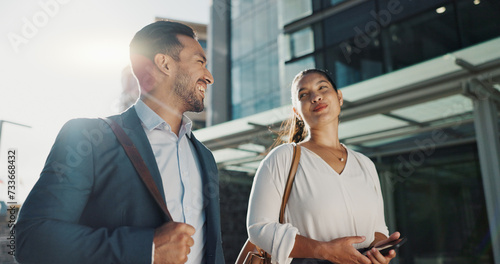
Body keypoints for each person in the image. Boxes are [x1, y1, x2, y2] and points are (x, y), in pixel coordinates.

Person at [15, 21, 225, 264]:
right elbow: (32, 239)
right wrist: (147, 249)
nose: (208, 77)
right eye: (200, 62)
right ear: (164, 64)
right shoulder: (88, 137)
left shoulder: (205, 157)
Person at [246, 69, 400, 264]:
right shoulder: (283, 158)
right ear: (296, 112)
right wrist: (324, 251)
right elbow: (259, 228)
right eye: (304, 94)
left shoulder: (365, 164)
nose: (315, 97)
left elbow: (378, 228)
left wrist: (379, 250)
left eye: (322, 87)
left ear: (339, 97)